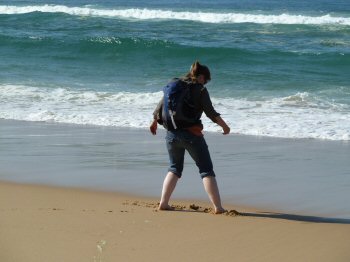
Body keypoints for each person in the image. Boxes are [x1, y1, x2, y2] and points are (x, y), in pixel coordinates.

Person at [150, 61, 230, 214]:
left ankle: (164, 203)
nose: (205, 83)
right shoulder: (200, 90)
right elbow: (211, 113)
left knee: (174, 168)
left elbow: (161, 106)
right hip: (192, 135)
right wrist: (225, 127)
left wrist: (154, 122)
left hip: (171, 134)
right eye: (205, 80)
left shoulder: (175, 86)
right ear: (200, 77)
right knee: (206, 170)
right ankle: (218, 207)